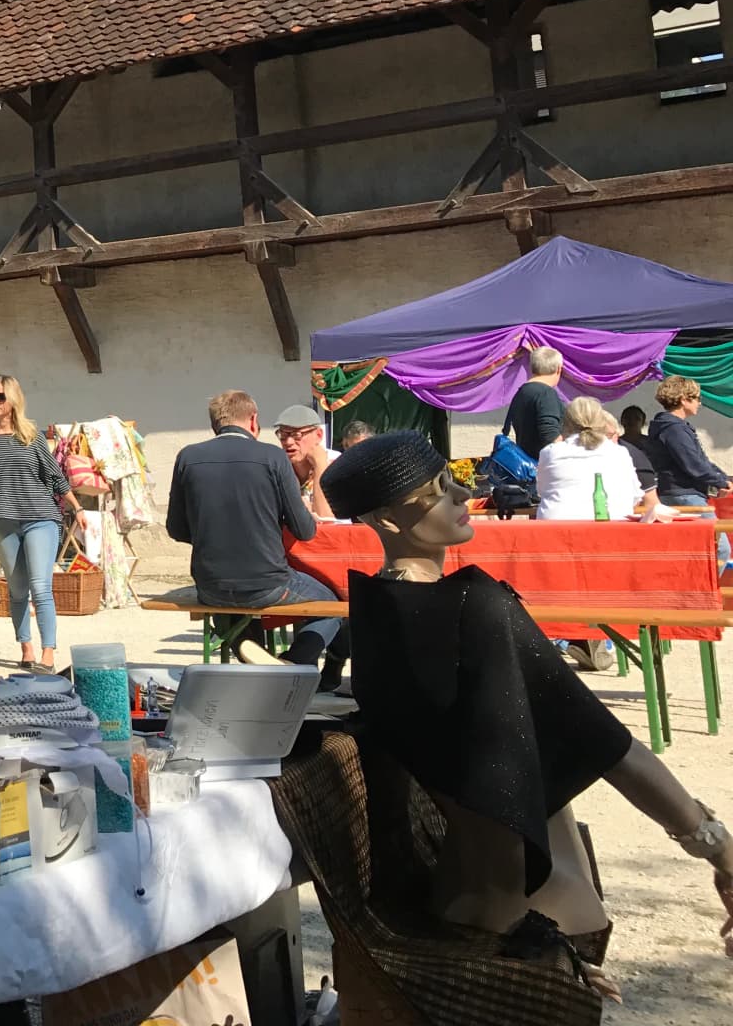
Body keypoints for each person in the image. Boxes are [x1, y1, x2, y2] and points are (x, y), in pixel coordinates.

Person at [321, 432, 733, 991]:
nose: (463, 495)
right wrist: (718, 849)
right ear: (389, 520)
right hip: (531, 914)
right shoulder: (473, 606)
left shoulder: (373, 617)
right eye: (438, 489)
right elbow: (609, 745)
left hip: (461, 900)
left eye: (454, 478)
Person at [165, 390, 341, 681]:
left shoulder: (188, 457)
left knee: (228, 610)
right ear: (253, 420)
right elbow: (305, 531)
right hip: (269, 583)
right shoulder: (272, 456)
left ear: (215, 423)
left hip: (210, 585)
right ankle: (292, 663)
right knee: (333, 607)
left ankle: (255, 660)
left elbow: (176, 529)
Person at [0, 375, 79, 671]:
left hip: (40, 518)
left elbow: (55, 476)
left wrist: (77, 508)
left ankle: (48, 654)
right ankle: (26, 649)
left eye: (0, 396)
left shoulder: (31, 436)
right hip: (3, 521)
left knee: (40, 587)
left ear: (13, 399)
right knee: (17, 590)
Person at [536, 397, 656, 522]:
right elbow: (635, 497)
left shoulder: (550, 452)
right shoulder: (619, 452)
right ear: (602, 422)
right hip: (612, 526)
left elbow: (542, 490)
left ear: (566, 424)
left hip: (558, 527)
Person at [644, 375, 730, 508]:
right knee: (710, 523)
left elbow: (701, 460)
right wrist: (721, 482)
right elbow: (693, 464)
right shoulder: (674, 429)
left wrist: (723, 479)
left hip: (681, 493)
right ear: (684, 400)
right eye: (697, 398)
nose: (699, 403)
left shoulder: (673, 427)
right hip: (684, 494)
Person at [273, 404, 341, 519]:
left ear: (319, 435)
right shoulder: (279, 468)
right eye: (283, 435)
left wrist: (320, 465)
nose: (288, 442)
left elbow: (326, 518)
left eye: (297, 435)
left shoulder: (337, 465)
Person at [503, 346, 565, 460]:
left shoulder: (522, 391)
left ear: (532, 368)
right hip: (544, 464)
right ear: (558, 369)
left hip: (526, 461)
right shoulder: (546, 393)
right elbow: (550, 435)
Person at [617, 405, 657, 493]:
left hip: (649, 485)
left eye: (637, 418)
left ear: (643, 422)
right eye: (628, 418)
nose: (632, 421)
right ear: (622, 421)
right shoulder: (616, 444)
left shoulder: (652, 444)